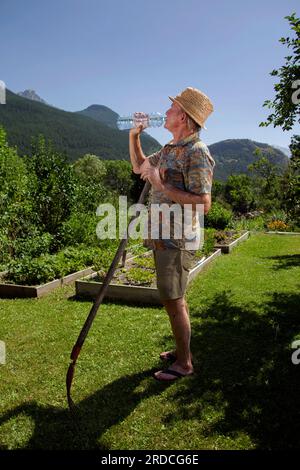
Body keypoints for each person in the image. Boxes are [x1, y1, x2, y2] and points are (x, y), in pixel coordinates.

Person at [129, 87, 215, 381]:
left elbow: (204, 204)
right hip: (161, 234)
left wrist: (163, 186)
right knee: (173, 297)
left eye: (171, 108)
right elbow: (139, 167)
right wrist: (134, 136)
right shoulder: (169, 150)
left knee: (173, 298)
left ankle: (185, 364)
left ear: (183, 117)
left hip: (178, 238)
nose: (164, 112)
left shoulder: (197, 152)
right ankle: (181, 352)